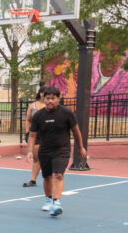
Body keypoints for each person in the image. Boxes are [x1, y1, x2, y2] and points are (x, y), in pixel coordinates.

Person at [26, 85, 87, 217]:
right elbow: (32, 135)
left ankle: (57, 202)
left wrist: (80, 147)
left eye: (53, 98)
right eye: (48, 98)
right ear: (43, 99)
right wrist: (30, 151)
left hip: (62, 150)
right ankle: (48, 199)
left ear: (59, 99)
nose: (50, 101)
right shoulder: (38, 116)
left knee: (58, 175)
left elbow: (76, 131)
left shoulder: (66, 113)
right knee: (47, 177)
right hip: (44, 150)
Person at [22, 89, 44, 187]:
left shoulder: (50, 106)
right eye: (45, 93)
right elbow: (28, 119)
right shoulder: (33, 106)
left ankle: (51, 176)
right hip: (35, 134)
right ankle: (33, 180)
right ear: (40, 93)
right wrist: (28, 132)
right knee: (36, 157)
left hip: (48, 134)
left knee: (47, 157)